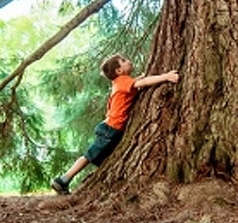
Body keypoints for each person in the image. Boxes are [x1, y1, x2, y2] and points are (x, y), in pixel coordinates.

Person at [51, 54, 179, 195]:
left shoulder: (121, 82)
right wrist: (166, 76)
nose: (128, 60)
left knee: (101, 158)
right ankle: (63, 179)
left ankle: (68, 180)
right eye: (124, 61)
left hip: (110, 128)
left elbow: (134, 86)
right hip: (110, 129)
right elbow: (143, 83)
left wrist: (138, 79)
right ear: (118, 71)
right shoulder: (123, 81)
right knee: (90, 156)